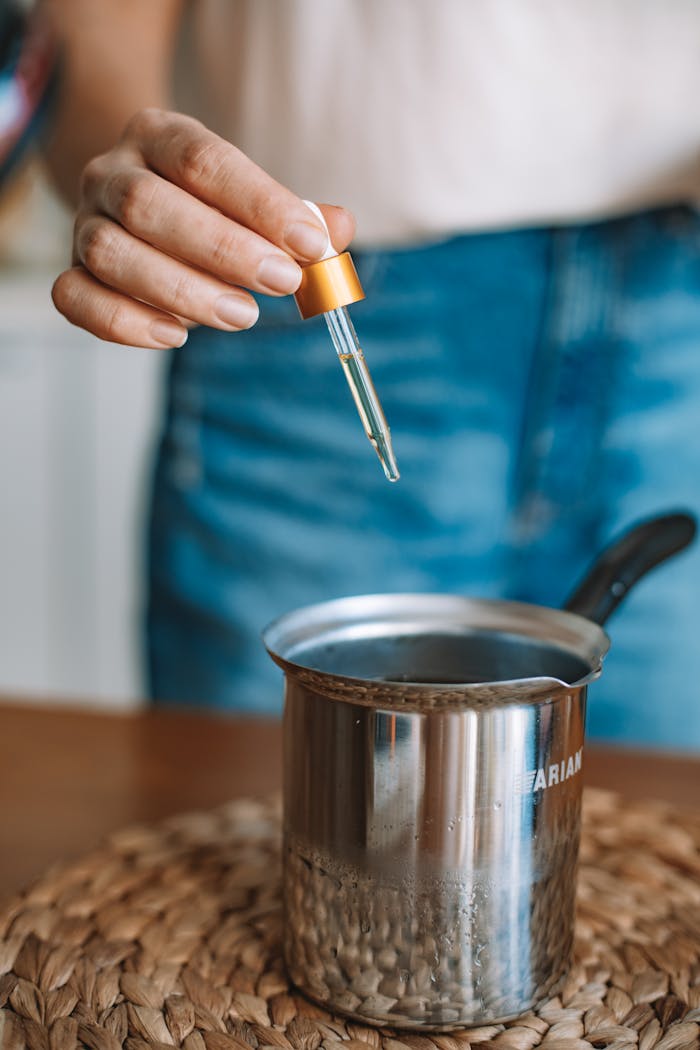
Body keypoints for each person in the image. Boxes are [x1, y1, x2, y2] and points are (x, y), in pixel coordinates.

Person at [45, 1, 700, 748]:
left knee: (661, 829)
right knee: (253, 809)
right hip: (286, 286)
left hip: (682, 310)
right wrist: (136, 173)